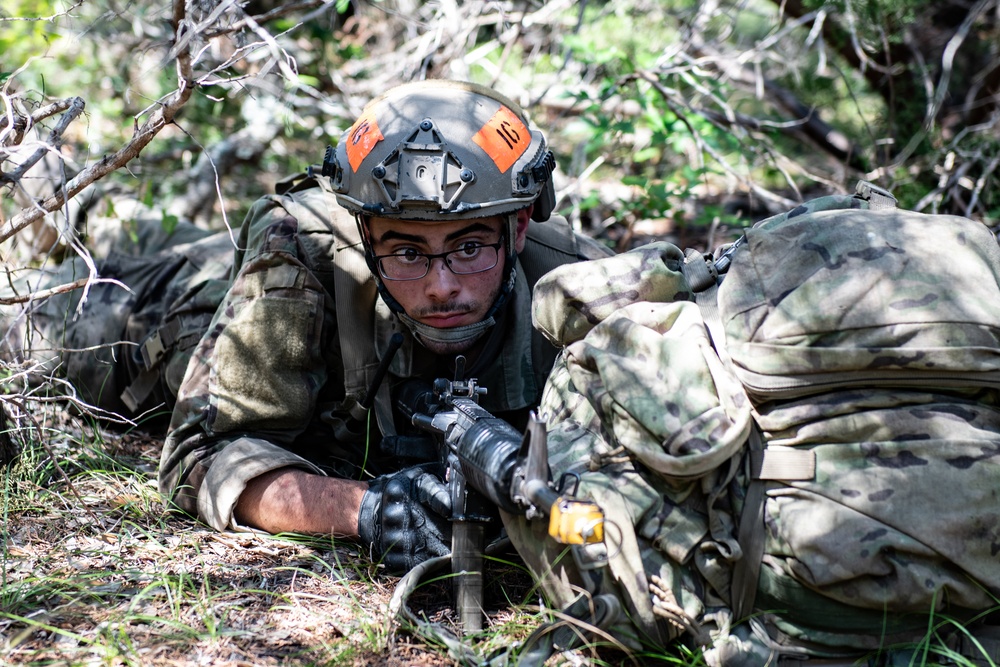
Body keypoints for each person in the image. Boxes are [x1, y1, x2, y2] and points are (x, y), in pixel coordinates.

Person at [157, 80, 612, 573]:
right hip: (177, 309)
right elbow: (199, 456)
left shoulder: (578, 286)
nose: (441, 286)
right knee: (91, 317)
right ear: (364, 234)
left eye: (469, 248)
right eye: (408, 252)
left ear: (519, 226)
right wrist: (363, 509)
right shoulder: (298, 257)